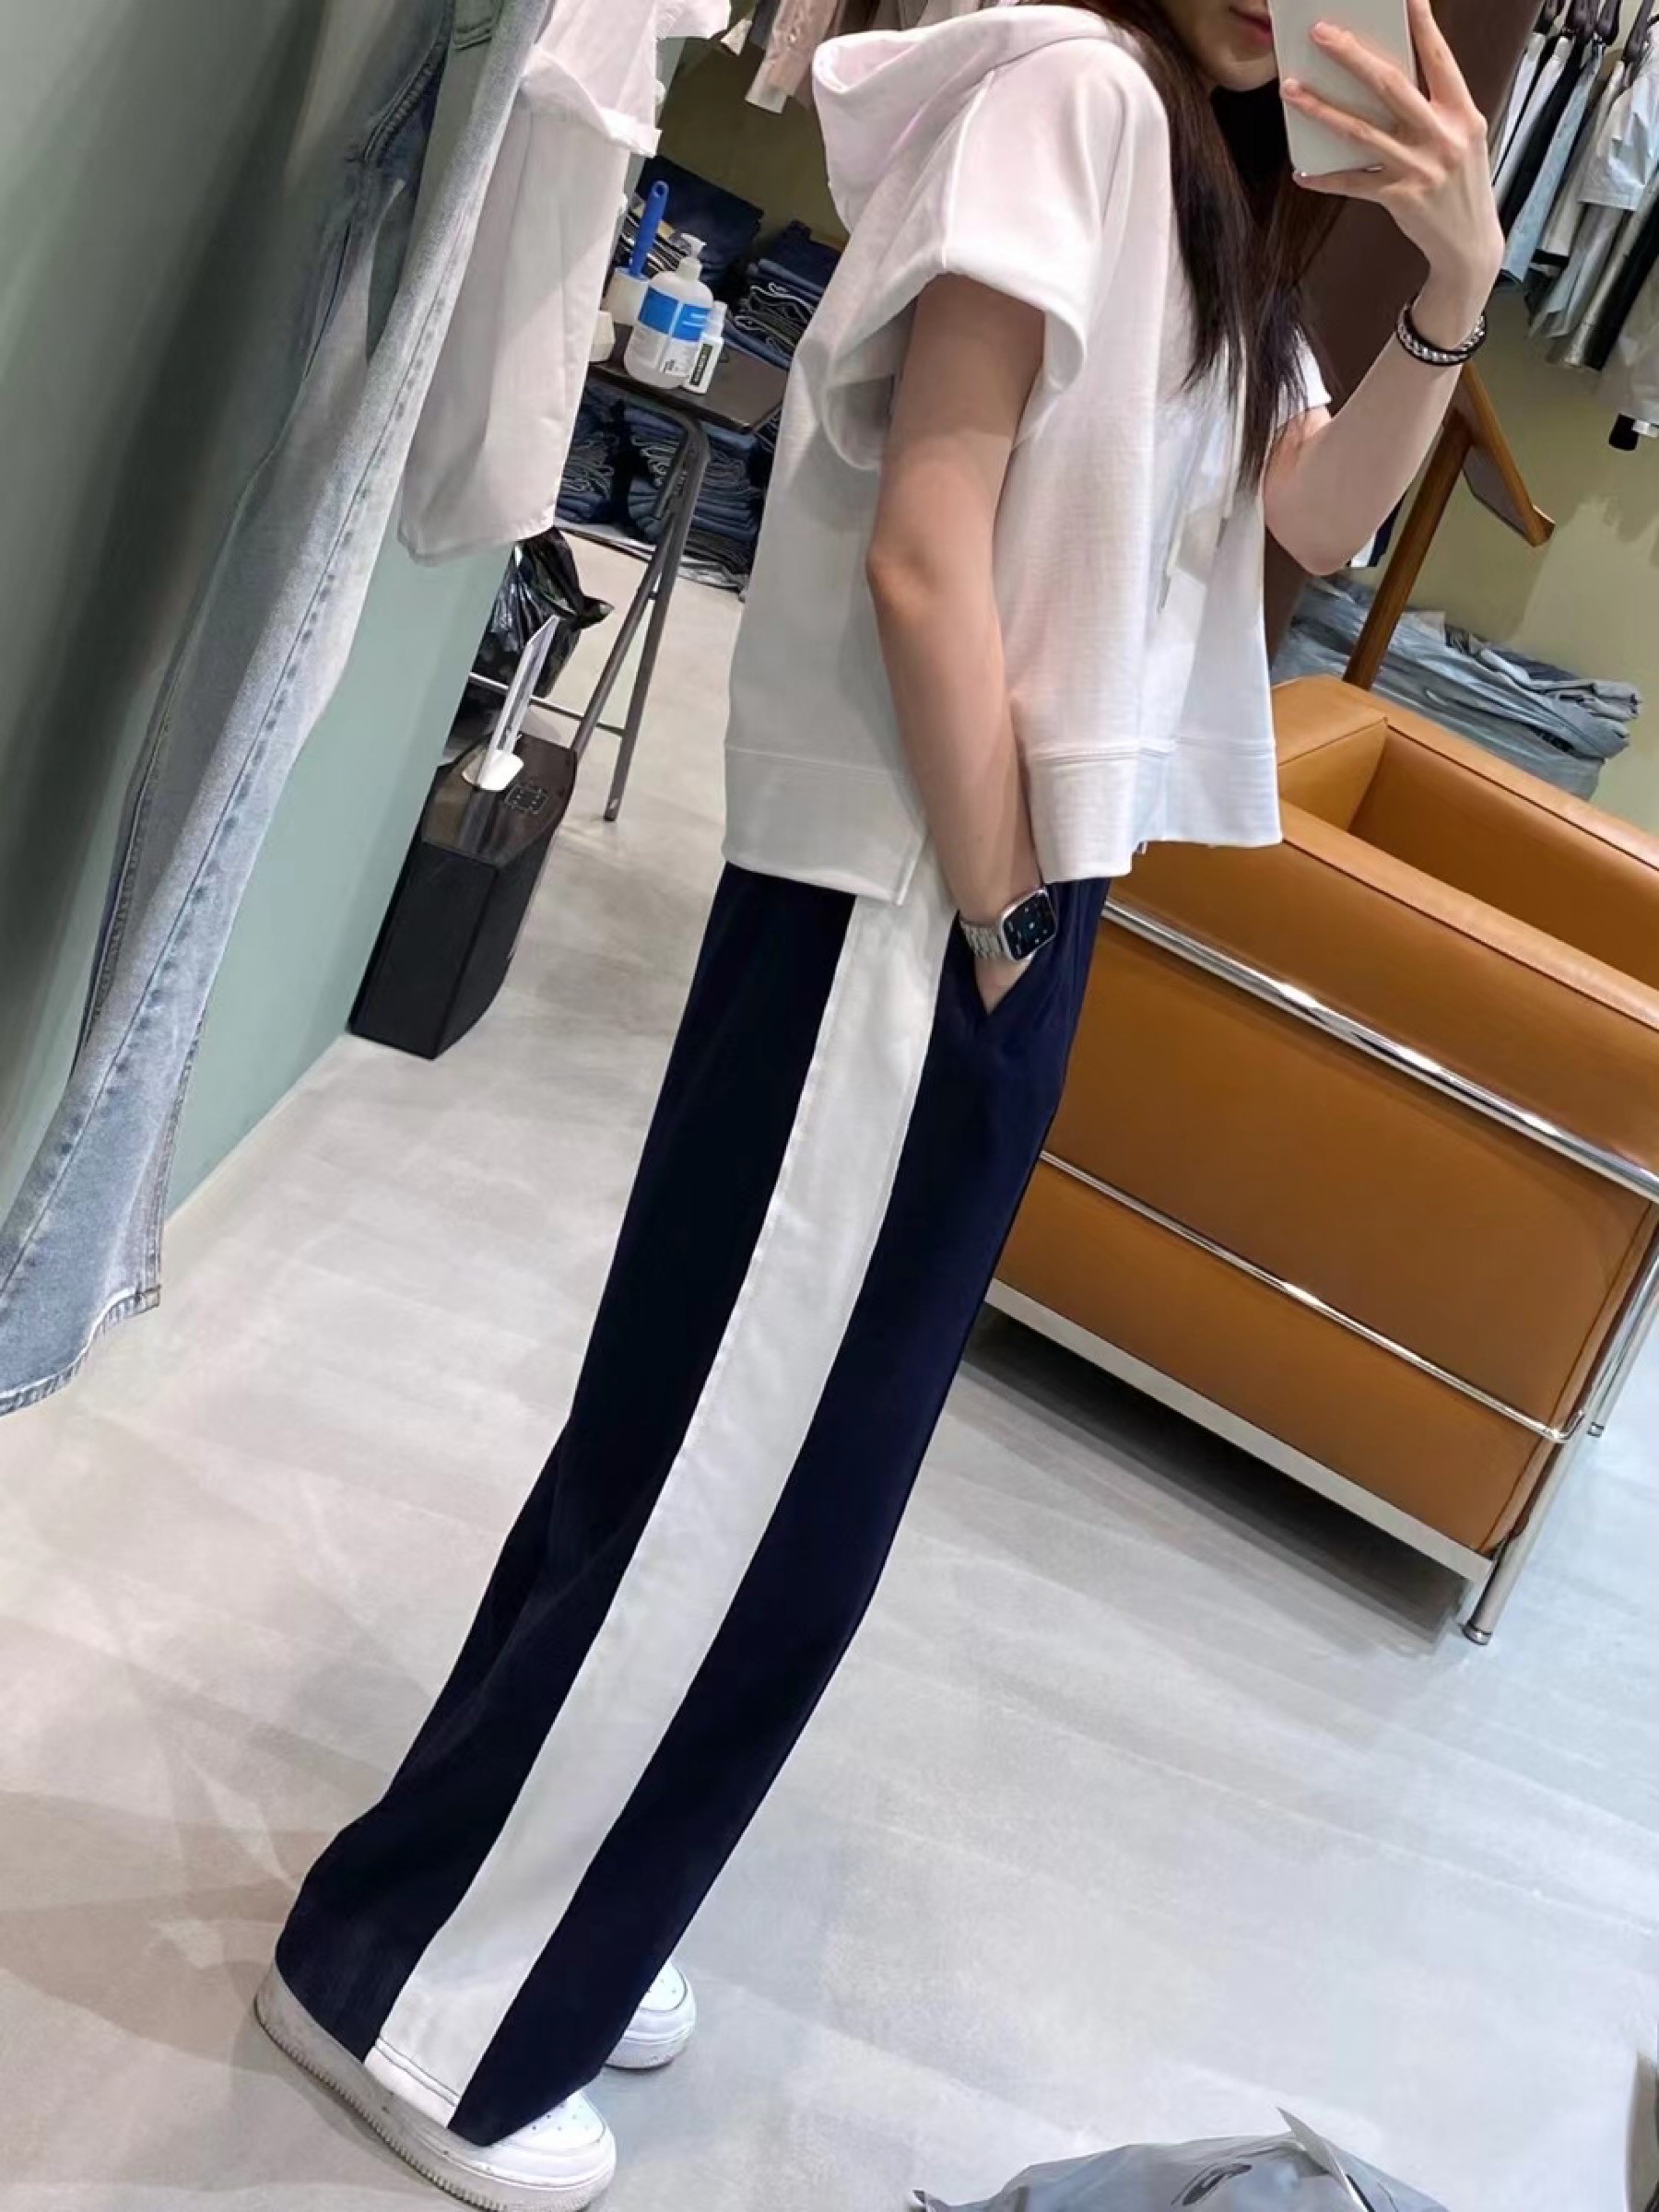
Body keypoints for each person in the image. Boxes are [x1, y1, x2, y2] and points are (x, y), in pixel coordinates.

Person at [255, 3, 1503, 2205]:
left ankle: (529, 1897)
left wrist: (1455, 292)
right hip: (925, 893)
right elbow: (928, 545)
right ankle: (417, 1995)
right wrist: (1003, 913)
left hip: (977, 888)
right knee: (751, 1493)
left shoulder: (1202, 190)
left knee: (713, 1456)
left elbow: (1297, 522)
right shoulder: (1074, 93)